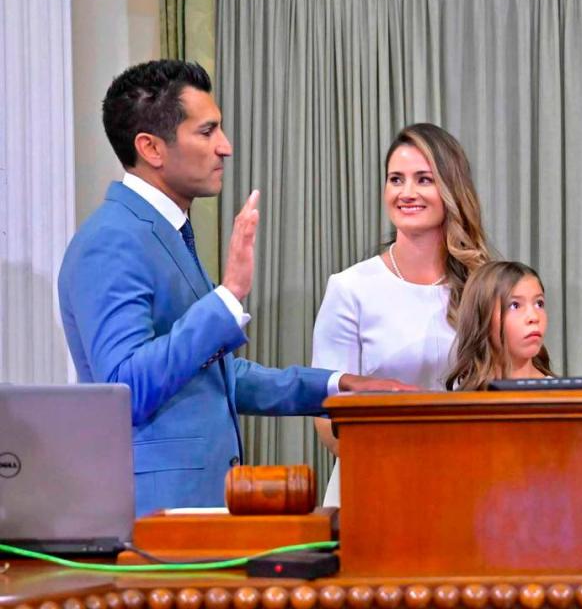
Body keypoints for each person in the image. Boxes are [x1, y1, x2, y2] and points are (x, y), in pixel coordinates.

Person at [58, 60, 407, 517]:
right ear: (151, 148)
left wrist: (339, 386)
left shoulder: (163, 232)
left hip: (195, 513)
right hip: (155, 519)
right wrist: (228, 296)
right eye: (207, 132)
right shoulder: (111, 239)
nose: (225, 147)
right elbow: (124, 386)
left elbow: (214, 377)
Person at [311, 122, 492, 505]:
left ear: (451, 189)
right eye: (396, 179)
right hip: (374, 490)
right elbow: (326, 416)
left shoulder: (484, 285)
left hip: (467, 490)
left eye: (423, 179)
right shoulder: (350, 288)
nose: (407, 193)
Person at [446, 261, 553, 391]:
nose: (534, 317)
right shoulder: (460, 403)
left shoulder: (563, 398)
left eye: (539, 304)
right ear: (483, 317)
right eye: (515, 305)